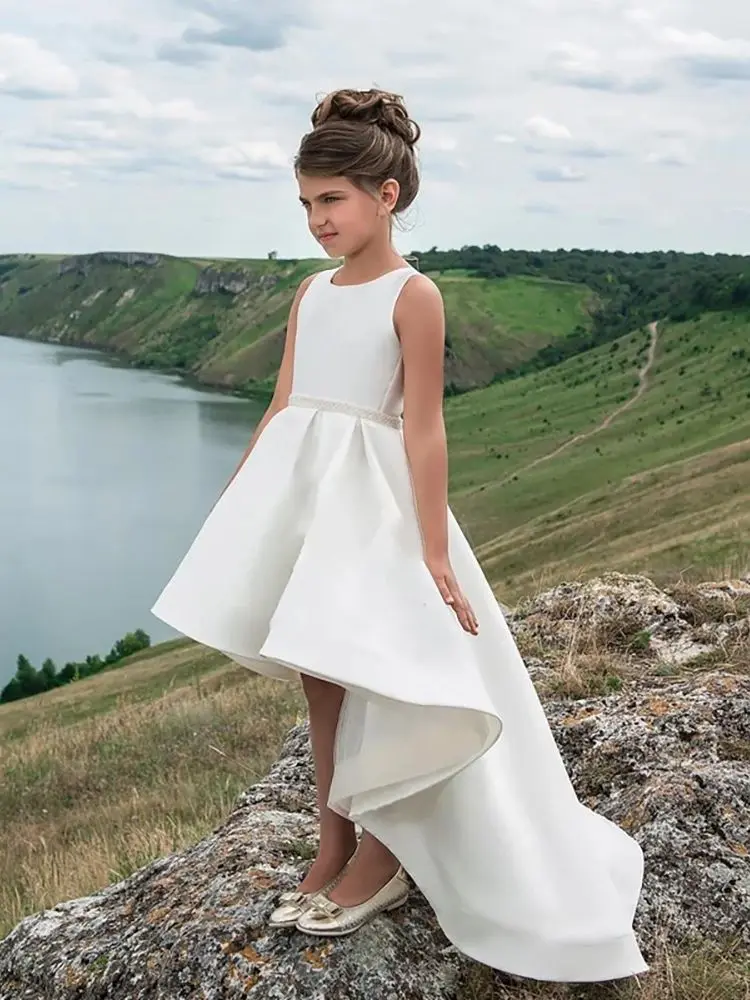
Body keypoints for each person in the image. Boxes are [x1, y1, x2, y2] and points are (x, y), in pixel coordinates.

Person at [151, 87, 649, 983]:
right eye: (305, 204)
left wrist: (428, 548)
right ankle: (329, 845)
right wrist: (238, 497)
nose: (316, 221)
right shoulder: (310, 293)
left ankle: (377, 861)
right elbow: (283, 404)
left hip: (373, 512)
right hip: (307, 503)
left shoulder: (414, 295)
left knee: (380, 672)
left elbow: (423, 427)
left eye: (331, 200)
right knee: (321, 682)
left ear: (386, 195)